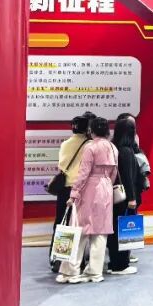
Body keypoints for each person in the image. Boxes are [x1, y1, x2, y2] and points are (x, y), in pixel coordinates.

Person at [58, 116, 118, 285]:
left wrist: (74, 194)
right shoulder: (113, 148)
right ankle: (95, 272)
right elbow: (114, 173)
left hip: (89, 189)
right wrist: (106, 185)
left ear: (92, 130)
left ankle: (71, 272)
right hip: (106, 187)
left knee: (79, 229)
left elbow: (83, 173)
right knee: (100, 231)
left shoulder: (90, 147)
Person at [49, 112, 92, 273]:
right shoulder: (89, 145)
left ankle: (58, 259)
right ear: (87, 128)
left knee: (62, 223)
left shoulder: (65, 144)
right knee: (78, 226)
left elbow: (61, 165)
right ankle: (76, 261)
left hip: (64, 189)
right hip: (81, 189)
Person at [106, 116, 143, 276]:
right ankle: (120, 265)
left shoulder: (113, 148)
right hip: (125, 198)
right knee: (124, 231)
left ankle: (114, 262)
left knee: (114, 230)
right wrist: (132, 198)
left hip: (114, 196)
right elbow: (128, 177)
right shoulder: (127, 151)